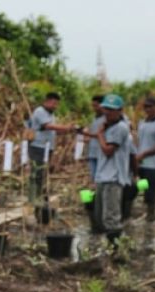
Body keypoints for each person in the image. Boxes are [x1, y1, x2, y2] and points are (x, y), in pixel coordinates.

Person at [27, 91, 75, 221]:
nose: (55, 106)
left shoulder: (51, 114)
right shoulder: (40, 112)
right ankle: (34, 201)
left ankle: (42, 204)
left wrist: (67, 131)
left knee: (43, 176)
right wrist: (65, 127)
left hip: (47, 148)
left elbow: (53, 130)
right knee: (37, 174)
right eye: (53, 103)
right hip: (38, 147)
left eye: (57, 104)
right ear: (46, 101)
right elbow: (48, 126)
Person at [94, 93, 133, 254]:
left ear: (120, 111)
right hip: (104, 176)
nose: (107, 113)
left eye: (111, 110)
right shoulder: (110, 126)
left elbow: (108, 150)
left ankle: (117, 252)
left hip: (113, 177)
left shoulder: (121, 128)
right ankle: (113, 249)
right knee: (102, 217)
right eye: (106, 109)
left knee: (111, 218)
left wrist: (100, 135)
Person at [137, 96, 155, 221]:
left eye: (150, 106)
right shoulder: (142, 123)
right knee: (143, 186)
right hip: (141, 163)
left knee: (150, 189)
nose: (147, 109)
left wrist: (144, 154)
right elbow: (139, 141)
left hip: (154, 164)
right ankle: (146, 209)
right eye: (145, 107)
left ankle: (151, 215)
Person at [83, 95, 106, 183]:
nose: (94, 108)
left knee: (100, 178)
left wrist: (87, 133)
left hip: (101, 153)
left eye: (96, 106)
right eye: (93, 106)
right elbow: (94, 135)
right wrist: (87, 138)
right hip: (92, 153)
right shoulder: (95, 118)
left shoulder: (106, 119)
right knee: (94, 177)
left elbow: (101, 135)